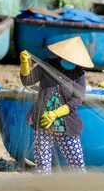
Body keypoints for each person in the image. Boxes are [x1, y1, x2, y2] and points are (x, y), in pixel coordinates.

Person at [20, 36, 94, 174]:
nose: (71, 62)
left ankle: (81, 190)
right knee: (42, 164)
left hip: (66, 125)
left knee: (77, 162)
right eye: (68, 59)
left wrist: (56, 113)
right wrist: (25, 64)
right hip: (42, 121)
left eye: (74, 61)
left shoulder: (79, 74)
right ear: (61, 56)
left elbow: (77, 100)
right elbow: (27, 81)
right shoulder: (47, 65)